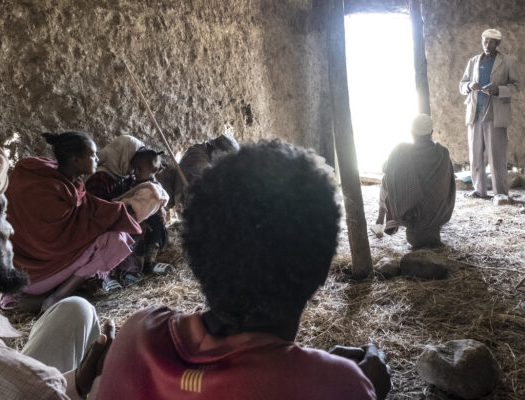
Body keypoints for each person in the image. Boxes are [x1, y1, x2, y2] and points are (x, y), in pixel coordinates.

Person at [97, 140, 391, 399]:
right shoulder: (339, 387)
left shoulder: (137, 334)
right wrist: (362, 388)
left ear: (195, 257)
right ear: (324, 270)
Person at [0, 130, 113, 399]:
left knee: (76, 310)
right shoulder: (34, 388)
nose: (11, 231)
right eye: (2, 216)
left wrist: (77, 383)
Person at [5, 131, 142, 311]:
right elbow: (66, 235)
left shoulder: (61, 180)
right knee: (116, 240)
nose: (97, 158)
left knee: (112, 234)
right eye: (92, 155)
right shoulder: (49, 190)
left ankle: (43, 296)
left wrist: (115, 212)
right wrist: (122, 213)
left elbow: (88, 211)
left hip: (19, 270)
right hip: (33, 276)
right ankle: (57, 297)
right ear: (76, 160)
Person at [87, 139, 171, 281]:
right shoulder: (100, 178)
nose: (133, 171)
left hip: (122, 217)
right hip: (102, 227)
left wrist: (158, 208)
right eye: (133, 164)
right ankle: (124, 272)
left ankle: (147, 264)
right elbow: (100, 214)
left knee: (154, 219)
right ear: (123, 156)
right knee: (139, 228)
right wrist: (132, 222)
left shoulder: (124, 174)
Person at [376, 114, 456, 249]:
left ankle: (381, 218)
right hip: (437, 214)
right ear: (431, 132)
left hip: (411, 215)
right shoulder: (443, 152)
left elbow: (385, 168)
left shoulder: (400, 151)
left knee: (386, 178)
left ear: (412, 132)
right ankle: (384, 217)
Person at [458, 28, 520, 200]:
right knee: (475, 154)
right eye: (485, 41)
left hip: (495, 114)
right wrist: (470, 86)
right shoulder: (473, 61)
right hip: (475, 113)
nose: (488, 44)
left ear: (498, 44)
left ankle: (500, 193)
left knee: (497, 155)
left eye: (492, 42)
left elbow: (516, 86)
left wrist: (498, 90)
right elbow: (462, 85)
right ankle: (479, 191)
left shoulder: (507, 62)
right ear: (482, 41)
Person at [157, 133, 240, 210]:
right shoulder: (199, 160)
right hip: (183, 200)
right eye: (223, 159)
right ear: (215, 149)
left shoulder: (206, 153)